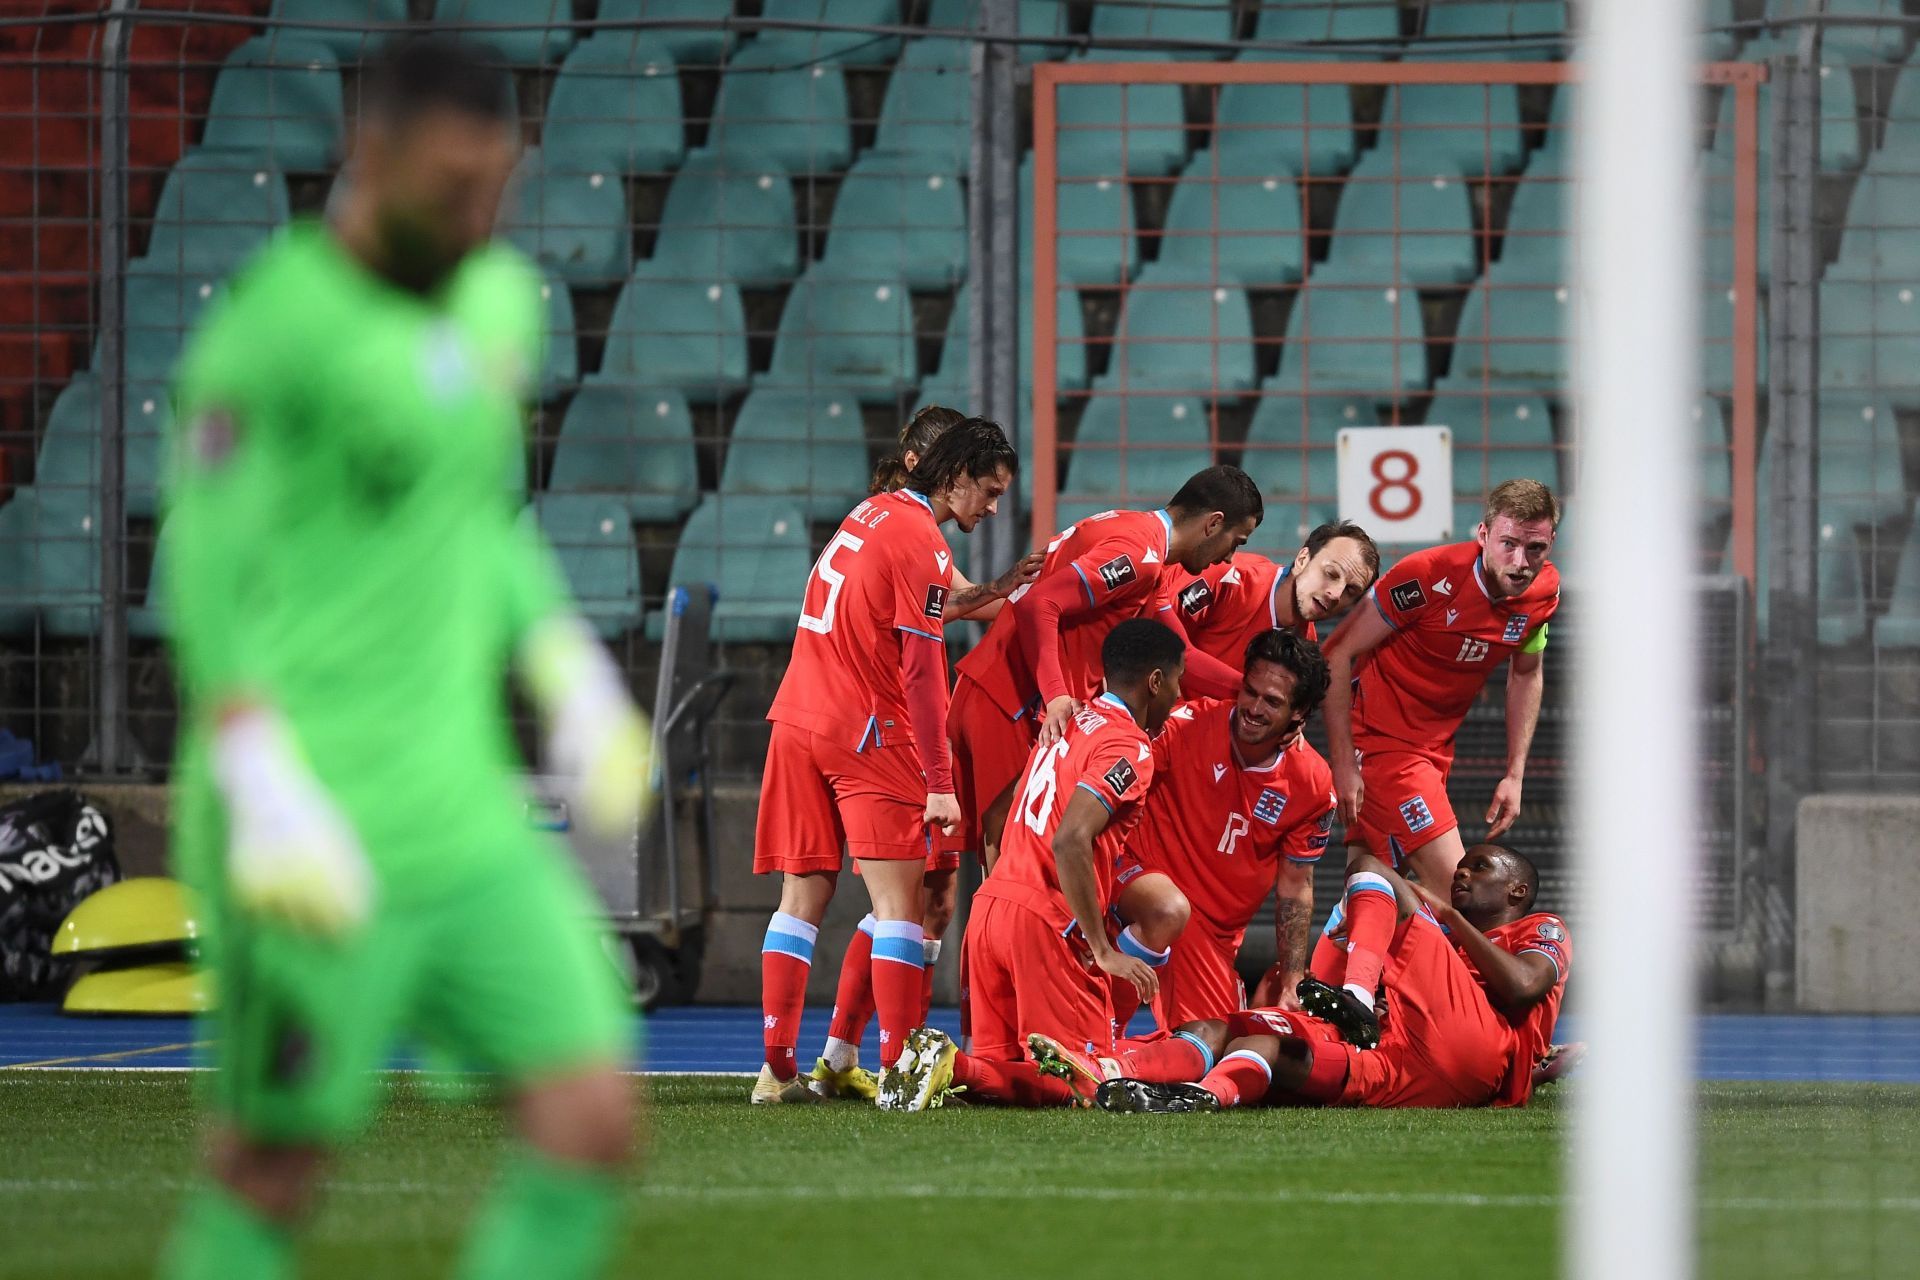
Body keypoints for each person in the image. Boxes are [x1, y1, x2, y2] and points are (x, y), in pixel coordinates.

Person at [159, 36, 650, 1280]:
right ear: (364, 156)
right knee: (272, 1171)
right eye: (449, 190)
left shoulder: (496, 300)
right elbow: (206, 572)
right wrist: (260, 776)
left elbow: (476, 518)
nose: (476, 217)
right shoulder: (273, 331)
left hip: (461, 815)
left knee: (589, 1115)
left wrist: (567, 669)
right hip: (309, 823)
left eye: (495, 188)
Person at [752, 418, 1018, 1104]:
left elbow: (944, 600)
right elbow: (926, 673)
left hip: (796, 721)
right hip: (866, 732)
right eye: (987, 491)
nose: (991, 508)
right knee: (901, 908)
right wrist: (938, 782)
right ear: (954, 474)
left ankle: (776, 1072)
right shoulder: (920, 538)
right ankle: (901, 1068)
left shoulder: (872, 513)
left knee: (799, 899)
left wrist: (1011, 584)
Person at [877, 619, 1187, 1111]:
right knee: (1086, 1086)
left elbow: (998, 816)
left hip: (992, 909)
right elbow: (1071, 840)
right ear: (1155, 681)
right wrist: (1102, 949)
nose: (1177, 694)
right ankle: (952, 1064)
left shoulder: (1067, 723)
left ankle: (953, 1068)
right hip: (1044, 922)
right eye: (1176, 681)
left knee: (1004, 1086)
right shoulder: (1128, 745)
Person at [1026, 628, 1339, 1101]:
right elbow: (1114, 742)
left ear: (1298, 713)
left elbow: (1297, 885)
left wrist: (1293, 974)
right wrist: (1068, 707)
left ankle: (1109, 1061)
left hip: (1212, 936)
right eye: (1248, 691)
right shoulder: (1186, 723)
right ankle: (1097, 1046)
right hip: (1142, 883)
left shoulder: (1313, 783)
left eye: (1271, 702)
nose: (1252, 708)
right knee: (1167, 912)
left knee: (1211, 1040)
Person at [946, 466, 1264, 873]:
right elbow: (1037, 605)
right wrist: (1056, 693)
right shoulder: (1139, 555)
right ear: (1213, 524)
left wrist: (1249, 691)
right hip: (1010, 702)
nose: (1229, 557)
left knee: (946, 892)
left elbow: (1180, 654)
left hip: (1000, 694)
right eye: (1235, 542)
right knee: (1012, 864)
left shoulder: (1150, 550)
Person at [1096, 845, 1570, 1113]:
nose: (1462, 870)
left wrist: (1443, 912)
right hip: (1403, 1061)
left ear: (1518, 889)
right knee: (1240, 1037)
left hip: (1472, 1047)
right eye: (1462, 863)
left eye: (1480, 866)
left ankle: (1354, 998)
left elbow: (1525, 985)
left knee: (1369, 869)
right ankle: (1129, 1077)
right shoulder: (1438, 948)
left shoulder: (1540, 928)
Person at [1323, 479, 1562, 904]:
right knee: (1464, 898)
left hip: (1435, 752)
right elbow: (1337, 654)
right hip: (1383, 748)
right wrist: (1342, 763)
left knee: (1365, 897)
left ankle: (1339, 971)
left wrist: (1515, 774)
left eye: (1536, 549)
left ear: (1551, 543)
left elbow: (1526, 674)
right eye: (1508, 544)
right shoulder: (1426, 575)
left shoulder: (1544, 592)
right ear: (1483, 535)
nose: (1521, 562)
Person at [1164, 521, 1380, 666]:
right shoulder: (1227, 576)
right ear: (1303, 559)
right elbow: (1151, 642)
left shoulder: (1305, 648)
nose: (1336, 594)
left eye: (1350, 591)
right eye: (1331, 573)